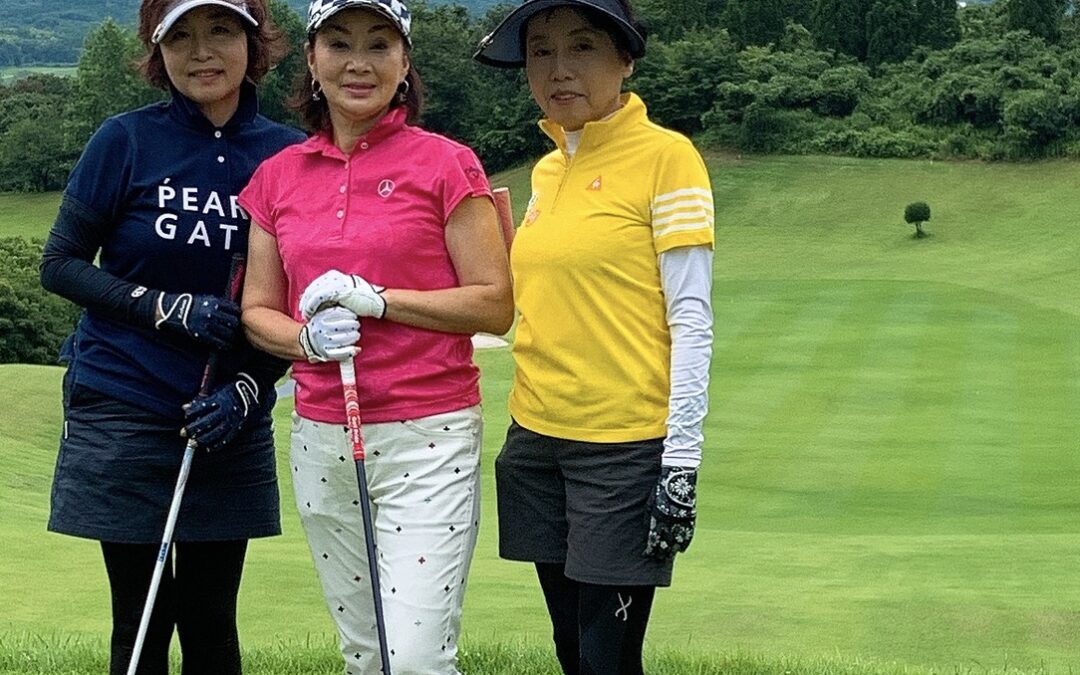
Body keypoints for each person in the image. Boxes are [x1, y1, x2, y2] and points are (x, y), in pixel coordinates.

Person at [238, 0, 513, 672]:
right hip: (321, 437)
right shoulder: (278, 176)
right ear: (312, 59)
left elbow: (494, 303)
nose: (358, 63)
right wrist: (306, 341)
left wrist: (381, 302)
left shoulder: (447, 164)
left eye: (378, 44)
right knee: (365, 652)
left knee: (413, 657)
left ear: (404, 61)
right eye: (339, 44)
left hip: (429, 435)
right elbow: (257, 310)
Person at [38, 0, 304, 672]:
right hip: (124, 398)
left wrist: (248, 390)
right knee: (142, 616)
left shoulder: (288, 155)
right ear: (158, 52)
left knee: (212, 620)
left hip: (228, 411)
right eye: (180, 36)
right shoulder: (125, 140)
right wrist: (166, 307)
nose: (201, 51)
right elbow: (61, 263)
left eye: (220, 31)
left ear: (253, 43)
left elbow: (299, 304)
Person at [474, 1, 715, 673]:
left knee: (607, 656)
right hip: (537, 438)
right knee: (570, 647)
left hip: (622, 449)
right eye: (541, 51)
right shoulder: (548, 170)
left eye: (582, 47)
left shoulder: (668, 158)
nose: (559, 69)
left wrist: (681, 461)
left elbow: (691, 318)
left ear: (625, 60)